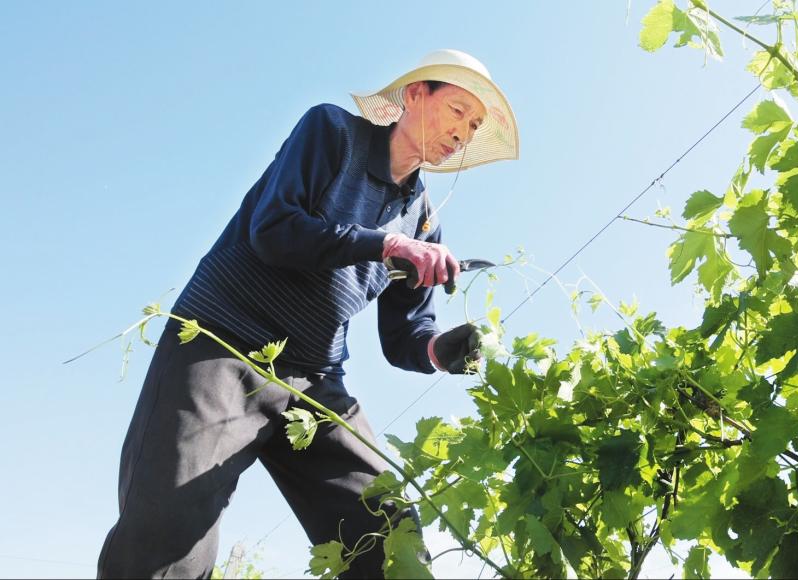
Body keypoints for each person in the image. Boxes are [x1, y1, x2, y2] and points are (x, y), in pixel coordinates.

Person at [96, 49, 519, 579]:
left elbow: (405, 334)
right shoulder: (333, 133)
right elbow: (274, 230)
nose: (464, 132)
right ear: (414, 95)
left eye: (475, 125)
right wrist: (385, 244)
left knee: (389, 537)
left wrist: (438, 349)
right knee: (169, 529)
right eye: (458, 110)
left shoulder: (424, 219)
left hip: (314, 378)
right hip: (223, 344)